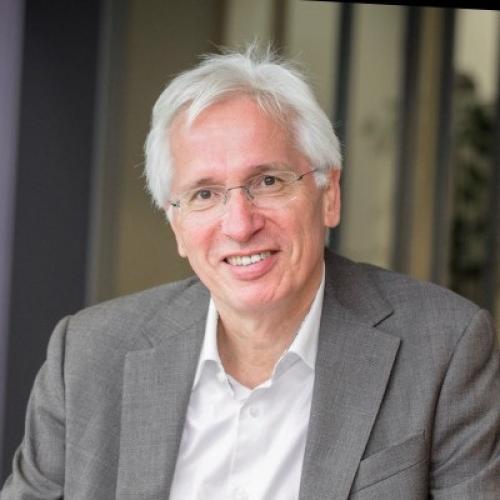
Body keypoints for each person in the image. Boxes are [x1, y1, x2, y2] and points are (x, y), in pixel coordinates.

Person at [1, 45, 499, 500]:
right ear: (176, 226)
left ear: (329, 195)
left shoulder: (444, 349)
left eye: (268, 181)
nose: (240, 225)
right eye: (204, 194)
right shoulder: (87, 357)